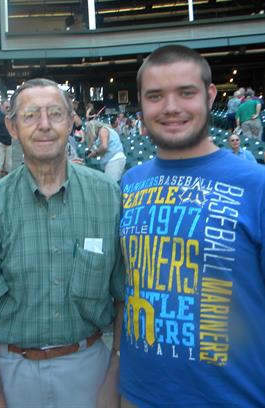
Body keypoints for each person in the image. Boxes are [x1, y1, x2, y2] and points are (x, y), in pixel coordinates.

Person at [118, 44, 265, 407]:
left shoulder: (256, 185)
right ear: (141, 102)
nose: (171, 107)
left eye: (186, 93)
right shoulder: (129, 182)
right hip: (140, 396)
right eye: (155, 96)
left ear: (210, 95)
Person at [0, 78, 124, 408]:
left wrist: (114, 375)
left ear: (71, 121)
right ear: (11, 126)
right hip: (10, 370)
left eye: (55, 114)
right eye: (30, 115)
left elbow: (124, 297)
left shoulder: (108, 196)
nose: (44, 125)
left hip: (90, 369)